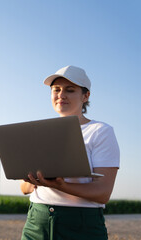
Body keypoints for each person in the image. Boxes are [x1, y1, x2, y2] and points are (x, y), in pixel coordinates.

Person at [20, 65, 120, 240]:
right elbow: (24, 188)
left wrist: (60, 185)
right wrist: (33, 181)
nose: (61, 95)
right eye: (56, 89)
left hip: (81, 225)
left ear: (86, 95)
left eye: (70, 90)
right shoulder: (40, 132)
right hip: (36, 221)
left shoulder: (100, 131)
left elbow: (103, 193)